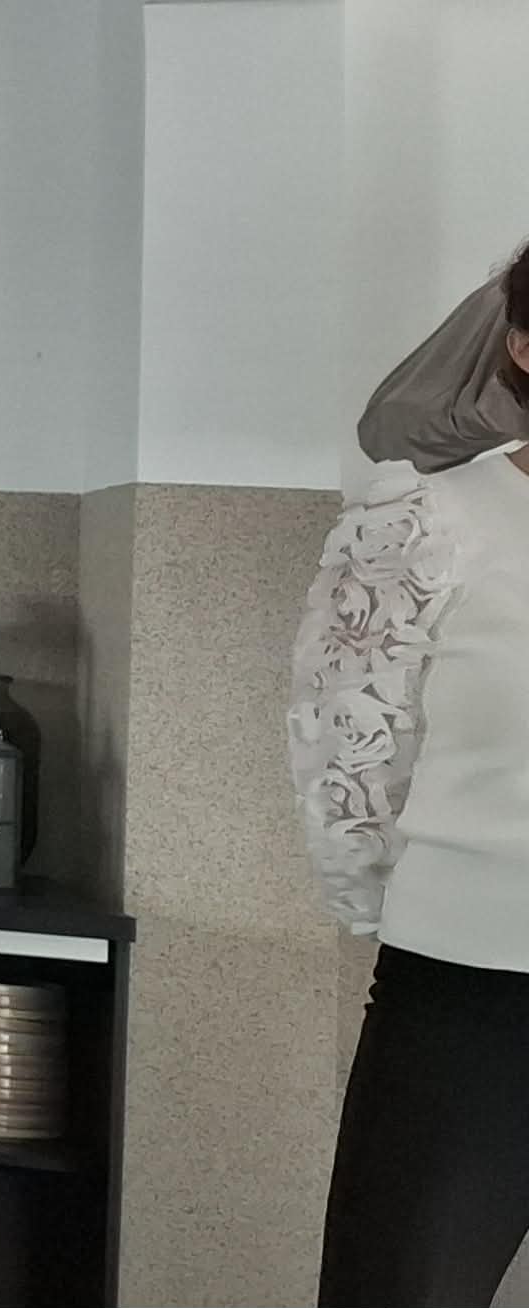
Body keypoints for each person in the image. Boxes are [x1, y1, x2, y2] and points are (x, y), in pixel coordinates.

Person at [301, 243, 529, 1307]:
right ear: (522, 347)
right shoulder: (427, 524)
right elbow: (346, 747)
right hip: (471, 995)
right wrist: (396, 903)